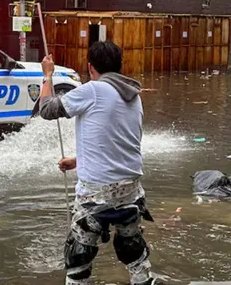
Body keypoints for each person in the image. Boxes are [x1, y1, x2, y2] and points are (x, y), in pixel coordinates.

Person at [39, 41, 156, 285]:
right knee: (133, 250)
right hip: (131, 190)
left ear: (91, 67)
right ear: (119, 65)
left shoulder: (92, 90)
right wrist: (78, 160)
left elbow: (47, 110)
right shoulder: (133, 95)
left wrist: (47, 76)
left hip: (96, 192)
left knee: (78, 256)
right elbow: (119, 141)